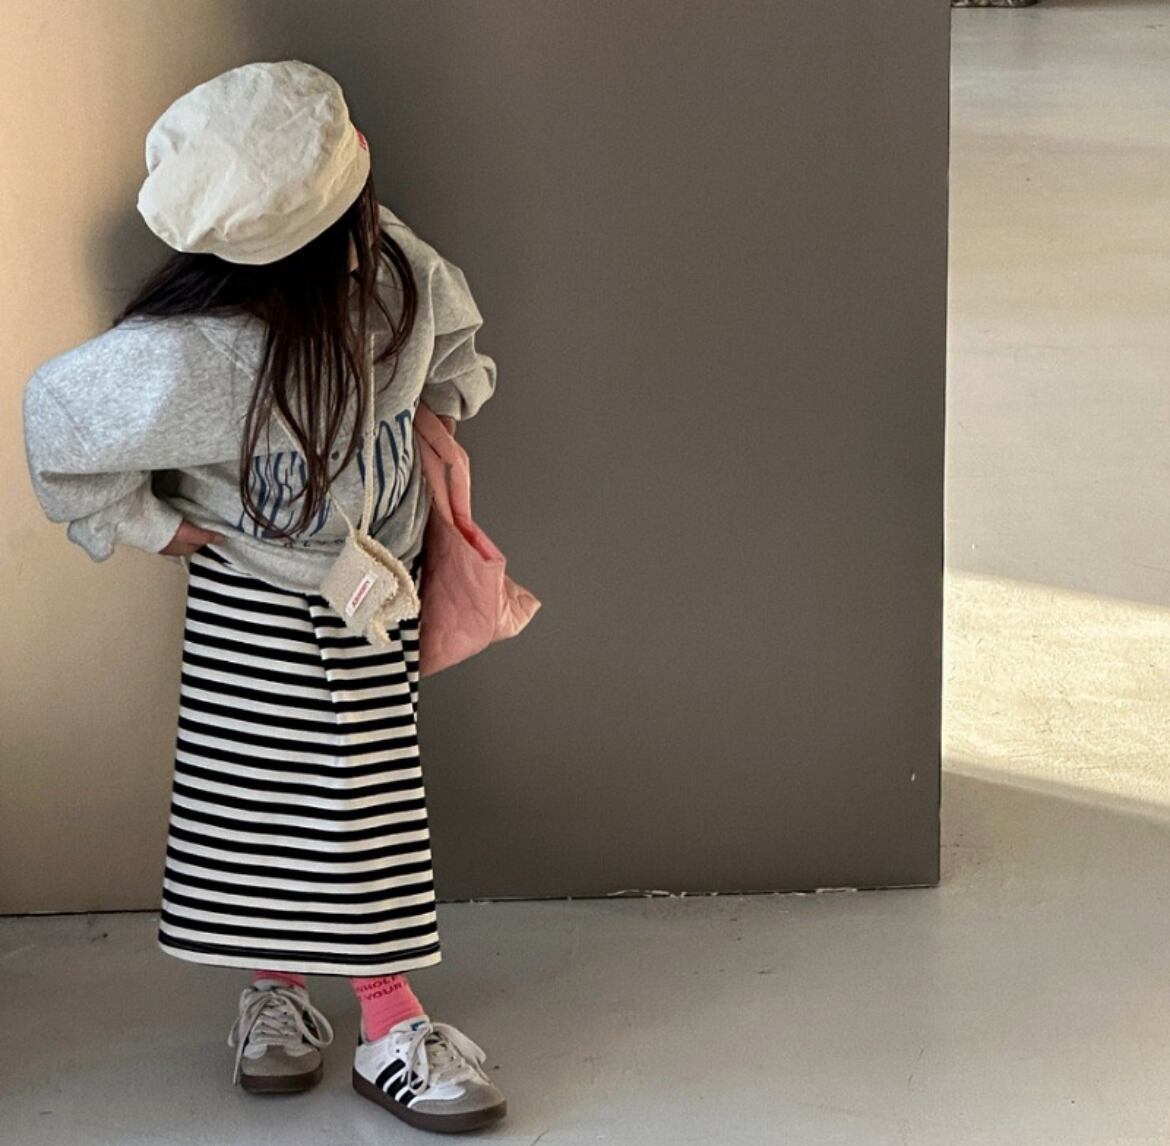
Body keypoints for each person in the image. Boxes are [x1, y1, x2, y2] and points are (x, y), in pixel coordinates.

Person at [20, 60, 506, 1135]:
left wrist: (440, 410)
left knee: (353, 795)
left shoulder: (393, 268)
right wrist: (151, 524)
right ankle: (369, 1014)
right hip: (254, 597)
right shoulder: (198, 355)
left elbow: (456, 333)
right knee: (272, 798)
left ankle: (302, 995)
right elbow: (58, 416)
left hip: (370, 590)